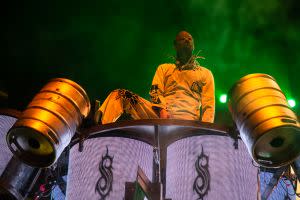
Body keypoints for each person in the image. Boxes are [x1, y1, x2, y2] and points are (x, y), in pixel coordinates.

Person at [95, 31, 215, 124]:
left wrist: (203, 132)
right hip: (161, 116)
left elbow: (209, 106)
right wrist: (162, 110)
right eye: (182, 39)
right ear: (175, 45)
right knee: (120, 94)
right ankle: (99, 127)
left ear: (194, 45)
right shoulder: (164, 68)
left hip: (189, 122)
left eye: (189, 39)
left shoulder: (205, 73)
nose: (187, 41)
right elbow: (155, 92)